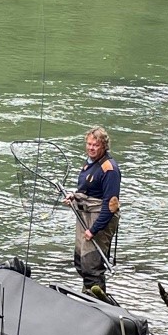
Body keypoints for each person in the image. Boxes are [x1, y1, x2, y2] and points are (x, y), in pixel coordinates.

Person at [65, 126, 122, 301]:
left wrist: (94, 230)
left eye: (95, 145)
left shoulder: (109, 169)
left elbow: (111, 206)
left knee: (92, 267)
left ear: (104, 146)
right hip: (84, 217)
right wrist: (73, 196)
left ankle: (98, 303)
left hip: (98, 222)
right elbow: (86, 189)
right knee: (80, 262)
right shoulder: (89, 164)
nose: (91, 148)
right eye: (89, 144)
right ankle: (87, 295)